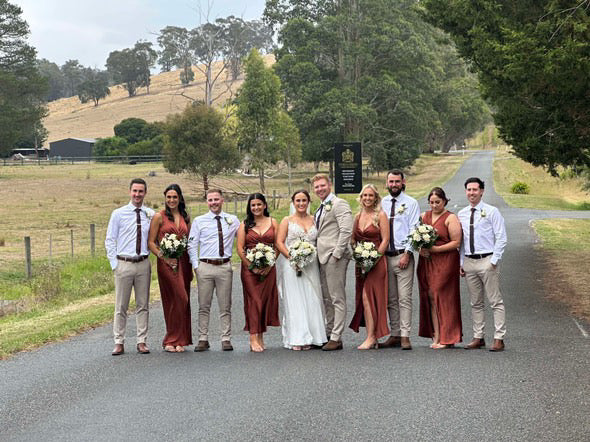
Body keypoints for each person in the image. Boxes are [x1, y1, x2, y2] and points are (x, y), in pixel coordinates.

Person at [105, 178, 154, 356]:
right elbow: (110, 239)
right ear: (130, 192)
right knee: (121, 305)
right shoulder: (118, 214)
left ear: (145, 193)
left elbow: (154, 239)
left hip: (142, 263)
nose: (137, 194)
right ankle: (119, 341)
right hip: (124, 263)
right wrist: (114, 264)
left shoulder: (150, 214)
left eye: (141, 191)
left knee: (143, 304)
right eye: (135, 191)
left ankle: (142, 340)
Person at [458, 177, 508, 352]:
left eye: (475, 189)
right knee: (476, 302)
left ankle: (498, 337)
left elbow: (501, 237)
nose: (472, 193)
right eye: (469, 190)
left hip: (487, 260)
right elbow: (461, 241)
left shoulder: (491, 211)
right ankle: (478, 337)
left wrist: (494, 261)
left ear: (481, 191)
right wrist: (461, 262)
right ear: (466, 192)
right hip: (470, 261)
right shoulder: (462, 214)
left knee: (495, 301)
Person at [188, 189, 239, 352]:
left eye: (216, 199)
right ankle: (203, 338)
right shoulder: (199, 221)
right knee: (204, 304)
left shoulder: (232, 220)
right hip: (205, 266)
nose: (213, 203)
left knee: (225, 305)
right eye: (210, 200)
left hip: (224, 266)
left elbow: (245, 236)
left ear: (222, 200)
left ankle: (226, 338)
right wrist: (196, 266)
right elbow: (192, 244)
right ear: (207, 202)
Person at [276, 190, 327, 351]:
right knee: (295, 299)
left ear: (309, 202)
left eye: (304, 200)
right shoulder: (287, 220)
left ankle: (315, 336)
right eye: (298, 201)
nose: (301, 204)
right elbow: (279, 242)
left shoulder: (315, 219)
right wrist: (292, 257)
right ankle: (298, 337)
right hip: (292, 265)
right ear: (293, 202)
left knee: (312, 297)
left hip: (311, 264)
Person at [148, 184, 193, 353]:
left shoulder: (186, 216)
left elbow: (190, 240)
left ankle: (180, 339)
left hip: (184, 262)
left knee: (183, 299)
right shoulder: (159, 217)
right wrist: (164, 257)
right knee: (175, 299)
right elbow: (151, 242)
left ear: (180, 198)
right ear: (165, 198)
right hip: (167, 263)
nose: (172, 200)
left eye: (175, 197)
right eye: (169, 197)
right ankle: (170, 338)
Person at [417, 187, 463, 349]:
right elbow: (417, 238)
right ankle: (436, 335)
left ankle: (447, 336)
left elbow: (456, 242)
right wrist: (420, 248)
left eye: (438, 202)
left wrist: (435, 249)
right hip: (427, 261)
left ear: (444, 201)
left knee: (441, 295)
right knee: (430, 296)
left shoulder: (450, 218)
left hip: (446, 261)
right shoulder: (424, 216)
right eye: (431, 202)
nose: (434, 205)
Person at [312, 173, 353, 351]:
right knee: (327, 297)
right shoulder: (321, 207)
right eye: (316, 187)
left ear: (330, 185)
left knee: (337, 297)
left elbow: (346, 230)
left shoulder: (339, 203)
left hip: (334, 257)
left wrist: (336, 254)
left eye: (322, 185)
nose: (320, 189)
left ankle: (336, 336)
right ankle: (329, 332)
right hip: (322, 256)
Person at [380, 170, 420, 350]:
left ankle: (405, 335)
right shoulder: (383, 203)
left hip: (403, 256)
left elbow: (414, 229)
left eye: (397, 181)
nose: (394, 185)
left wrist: (408, 253)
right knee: (391, 298)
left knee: (404, 298)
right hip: (386, 257)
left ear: (403, 182)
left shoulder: (411, 203)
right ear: (387, 183)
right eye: (391, 181)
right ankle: (395, 333)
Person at [236, 193, 280, 352]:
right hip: (249, 270)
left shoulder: (273, 222)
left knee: (264, 301)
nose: (256, 208)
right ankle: (253, 337)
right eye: (253, 205)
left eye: (259, 204)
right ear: (250, 207)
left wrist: (269, 265)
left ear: (265, 205)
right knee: (254, 301)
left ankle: (260, 335)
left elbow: (277, 246)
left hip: (269, 269)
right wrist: (251, 266)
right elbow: (240, 249)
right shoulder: (244, 225)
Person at [348, 184, 390, 349]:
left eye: (370, 196)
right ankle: (371, 336)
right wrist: (357, 253)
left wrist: (374, 258)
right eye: (365, 195)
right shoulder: (357, 216)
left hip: (377, 263)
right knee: (363, 298)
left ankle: (372, 336)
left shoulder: (381, 215)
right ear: (361, 197)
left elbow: (385, 240)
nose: (367, 198)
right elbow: (353, 239)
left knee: (371, 298)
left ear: (376, 198)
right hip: (361, 263)